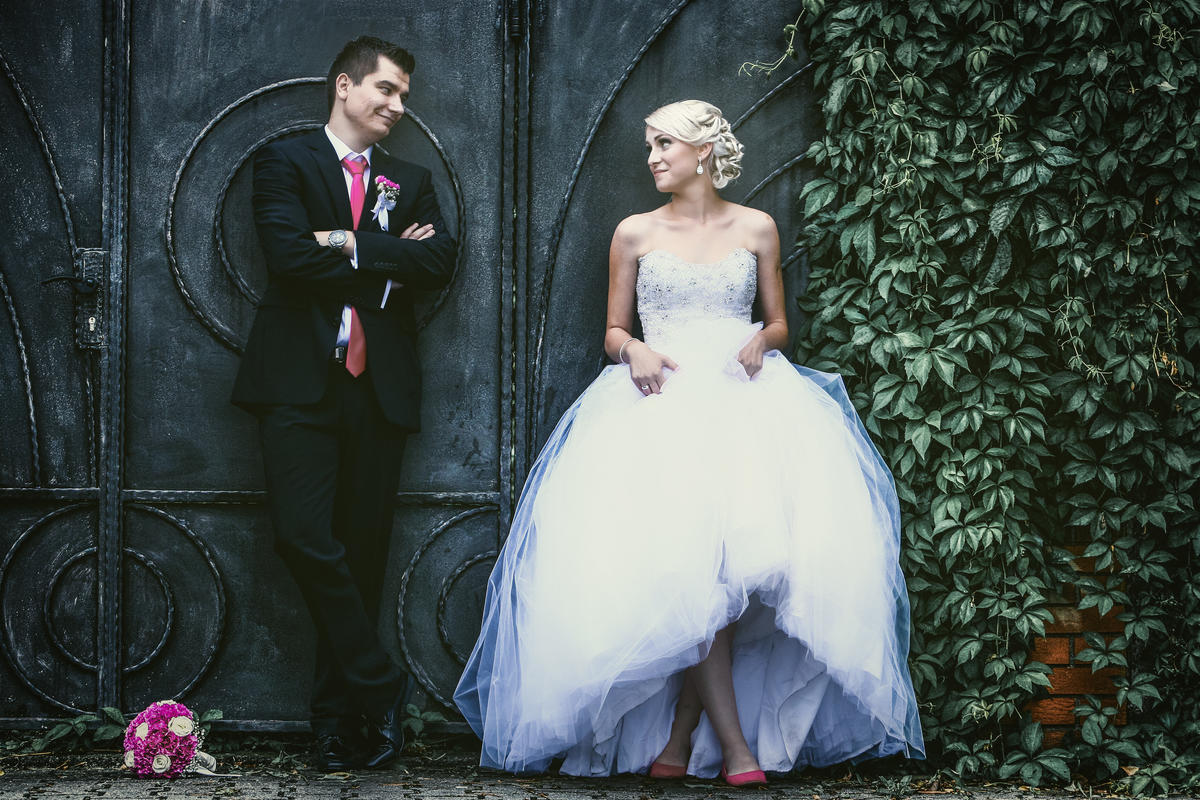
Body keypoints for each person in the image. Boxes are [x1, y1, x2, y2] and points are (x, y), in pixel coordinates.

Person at [454, 100, 924, 783]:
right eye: (650, 145)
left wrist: (763, 340)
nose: (652, 157)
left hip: (745, 407)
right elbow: (613, 331)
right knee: (692, 576)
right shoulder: (634, 232)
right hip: (660, 407)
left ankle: (679, 741)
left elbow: (778, 323)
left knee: (724, 576)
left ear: (702, 151)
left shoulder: (757, 227)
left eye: (663, 144)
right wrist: (633, 350)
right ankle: (733, 749)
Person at [232, 35, 456, 771]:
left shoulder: (410, 179)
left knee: (361, 559)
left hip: (377, 389)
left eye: (404, 96)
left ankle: (337, 725)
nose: (397, 106)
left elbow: (439, 259)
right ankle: (382, 684)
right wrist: (387, 261)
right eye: (386, 89)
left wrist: (345, 243)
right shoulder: (285, 161)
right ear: (344, 86)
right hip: (297, 383)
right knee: (303, 537)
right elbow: (289, 256)